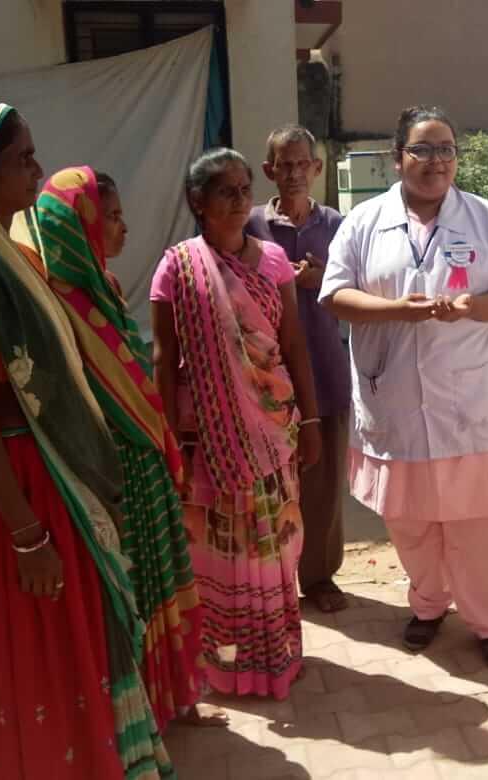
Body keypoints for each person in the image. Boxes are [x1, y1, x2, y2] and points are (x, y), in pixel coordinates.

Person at [0, 99, 173, 777]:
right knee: (34, 644)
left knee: (78, 635)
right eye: (22, 158)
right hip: (14, 492)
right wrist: (26, 534)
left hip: (57, 477)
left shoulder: (14, 253)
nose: (38, 169)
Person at [319, 105, 488, 668]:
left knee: (479, 525)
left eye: (446, 149)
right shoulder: (364, 222)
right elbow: (335, 295)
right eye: (422, 149)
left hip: (471, 406)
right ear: (398, 159)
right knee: (410, 522)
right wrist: (396, 311)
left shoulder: (487, 221)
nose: (436, 161)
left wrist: (474, 306)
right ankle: (429, 604)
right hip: (394, 404)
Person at [24, 166, 216, 731]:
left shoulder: (103, 288)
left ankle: (175, 696)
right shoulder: (51, 307)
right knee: (129, 592)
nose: (123, 227)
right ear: (76, 226)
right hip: (110, 475)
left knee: (164, 580)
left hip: (147, 463)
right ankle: (139, 716)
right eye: (109, 216)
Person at [149, 147, 321, 699]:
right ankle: (221, 664)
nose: (241, 199)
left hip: (271, 437)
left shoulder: (272, 261)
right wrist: (167, 437)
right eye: (227, 190)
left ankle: (273, 659)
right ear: (198, 203)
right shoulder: (177, 265)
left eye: (245, 188)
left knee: (273, 550)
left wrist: (312, 420)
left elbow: (292, 345)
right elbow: (163, 353)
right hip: (207, 443)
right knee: (215, 555)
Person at [246, 125, 351, 613]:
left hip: (326, 371)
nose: (292, 173)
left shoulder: (337, 225)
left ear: (316, 168)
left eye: (301, 164)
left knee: (324, 479)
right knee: (271, 480)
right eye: (282, 165)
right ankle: (272, 575)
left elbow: (361, 285)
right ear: (269, 170)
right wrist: (287, 278)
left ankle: (320, 576)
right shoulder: (249, 224)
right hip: (267, 376)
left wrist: (320, 278)